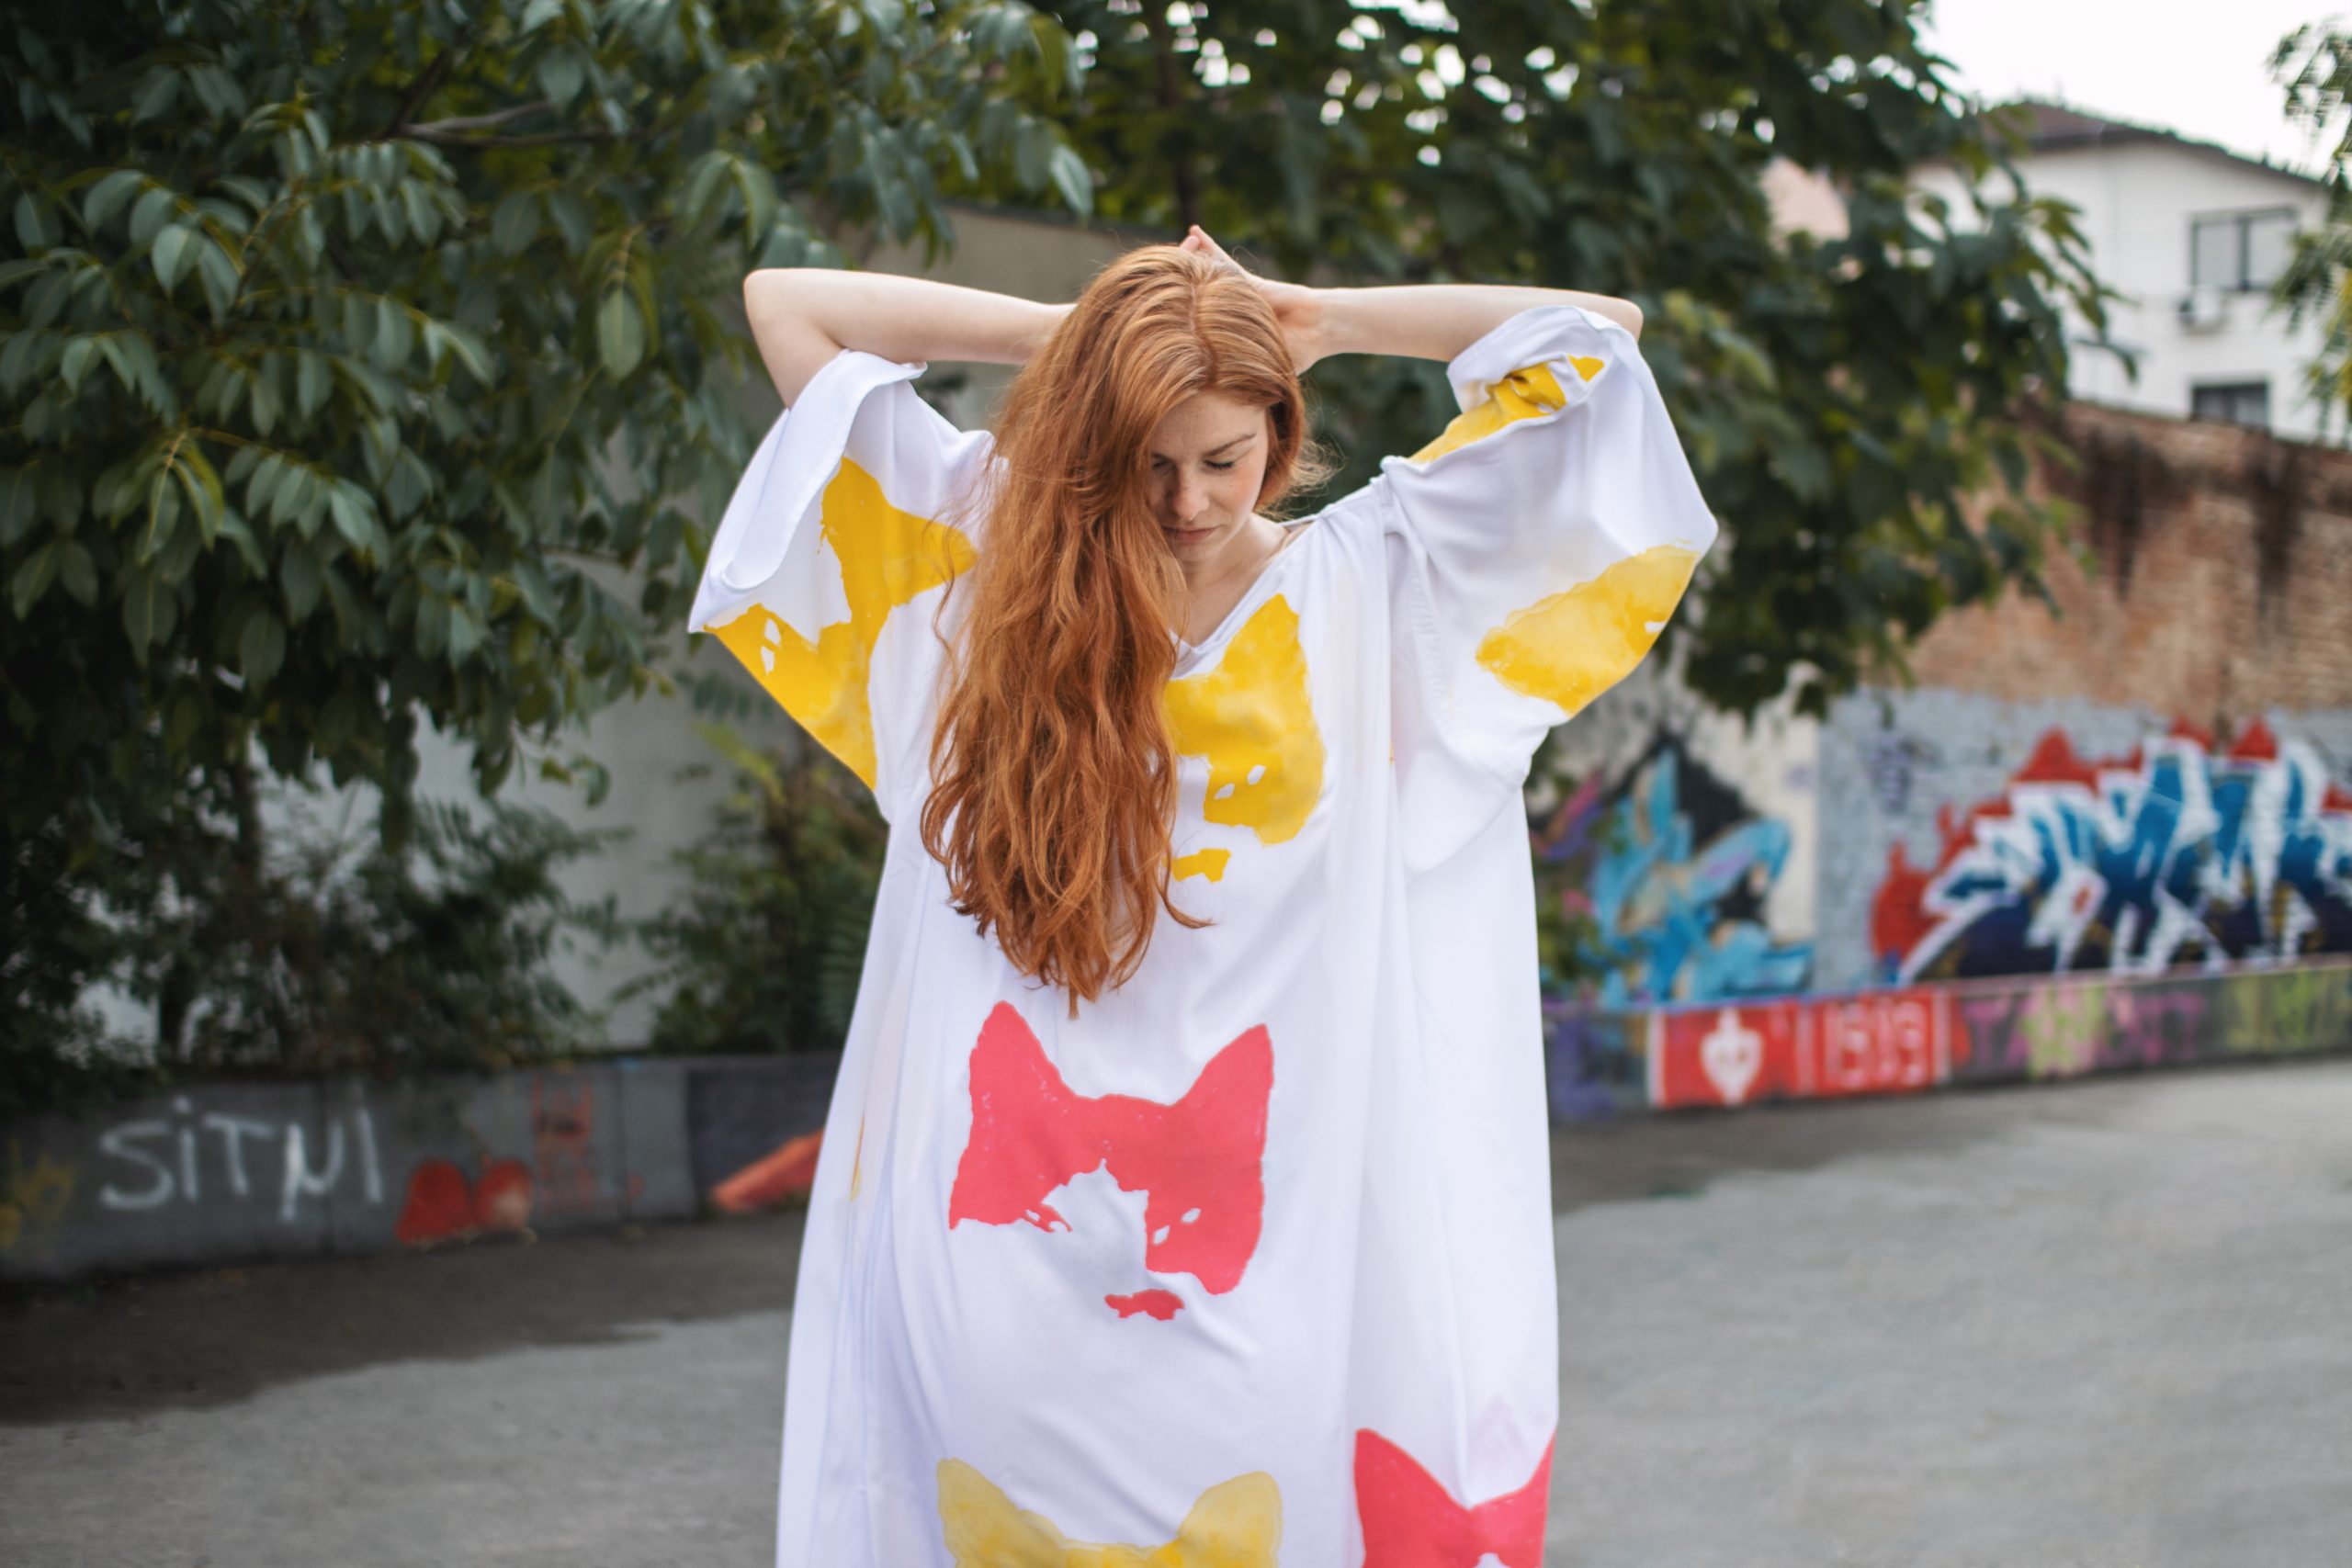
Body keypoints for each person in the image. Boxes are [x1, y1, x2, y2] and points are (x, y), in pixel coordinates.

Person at [688, 226, 1719, 1567]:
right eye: (1149, 463)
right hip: (1003, 1203)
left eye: (1225, 459)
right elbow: (789, 306)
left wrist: (1325, 314)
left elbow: (1596, 343)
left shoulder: (1376, 580)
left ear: (1282, 437)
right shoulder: (994, 558)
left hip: (1257, 1217)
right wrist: (1079, 342)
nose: (1187, 502)